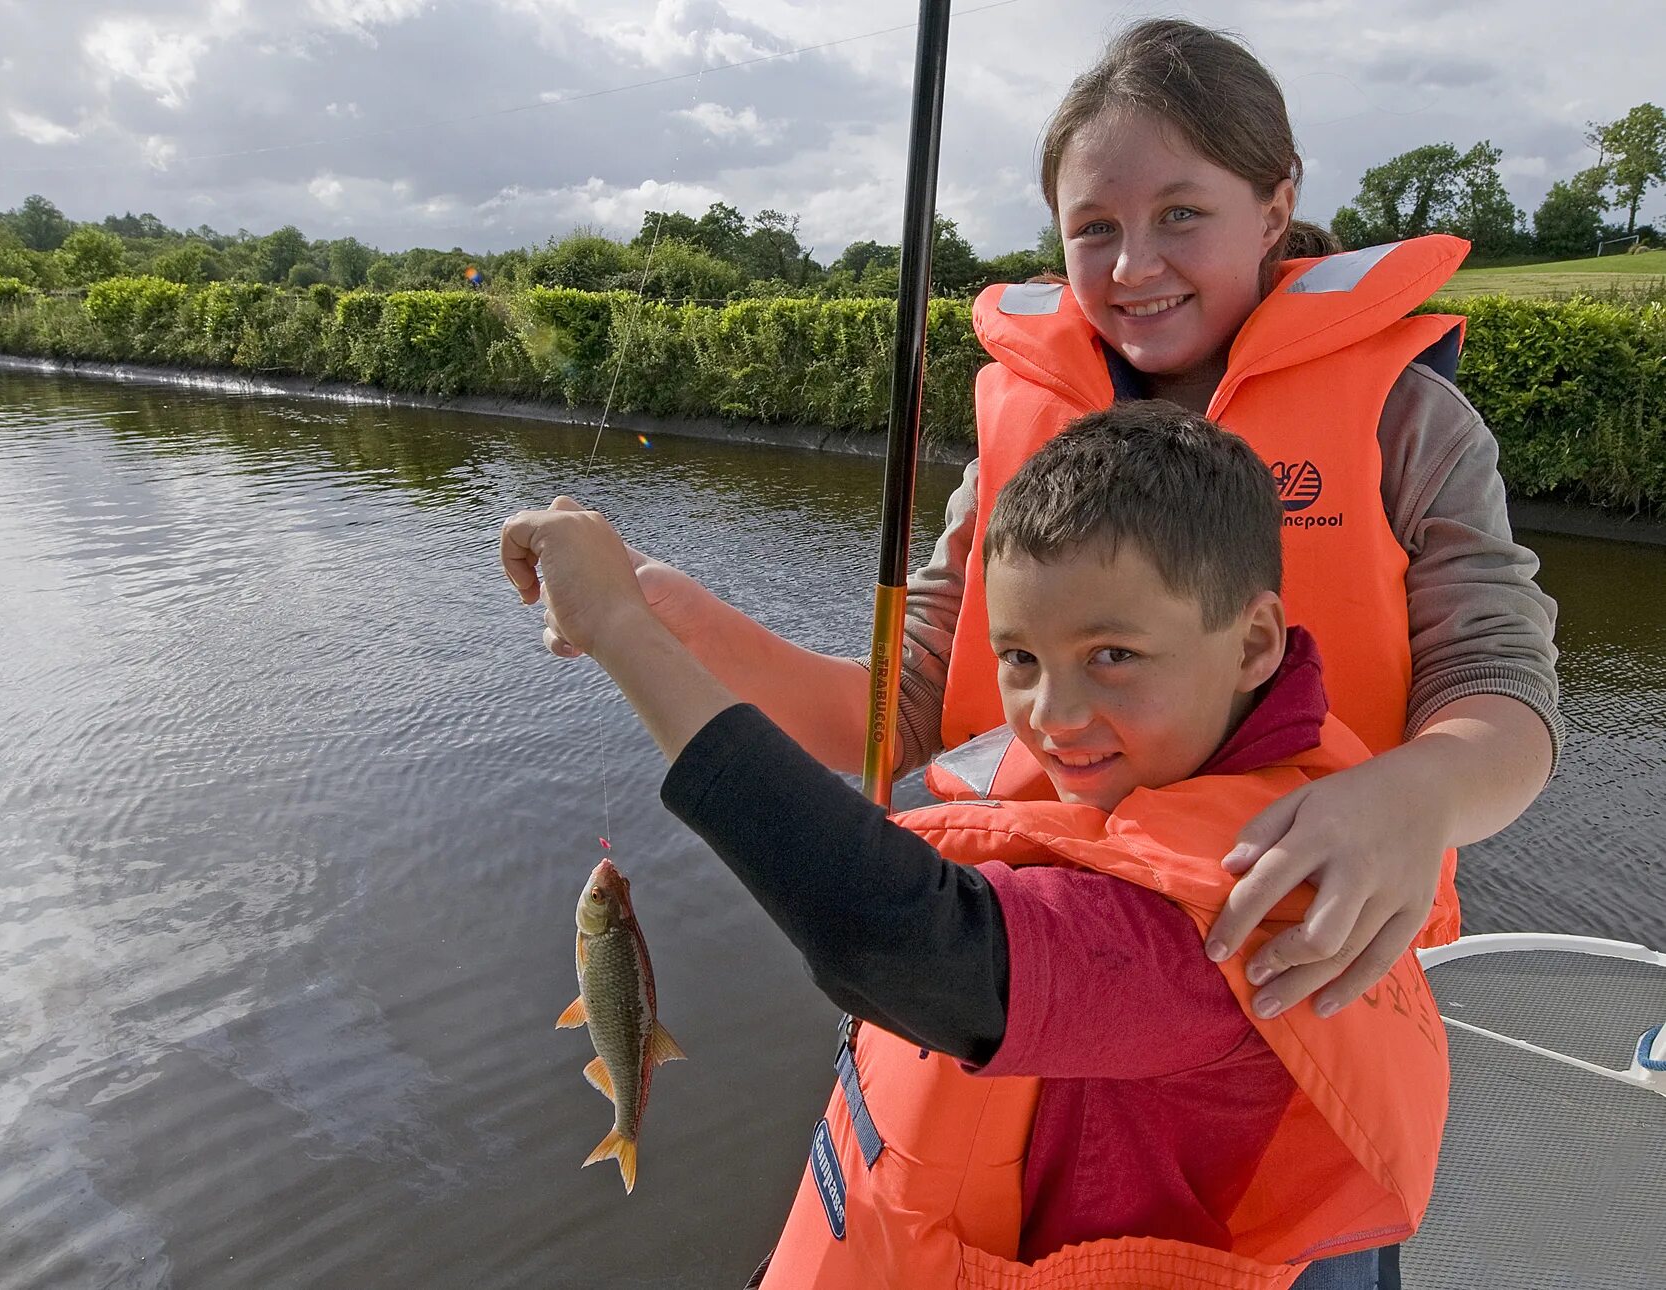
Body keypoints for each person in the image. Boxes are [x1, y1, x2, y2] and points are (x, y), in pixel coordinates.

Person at [543, 17, 1558, 1028]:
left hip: (1303, 981)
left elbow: (1503, 695)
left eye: (1179, 215)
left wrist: (1412, 797)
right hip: (1027, 965)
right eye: (1093, 230)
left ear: (1272, 207)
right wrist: (668, 613)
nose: (1132, 268)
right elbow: (899, 722)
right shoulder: (1019, 441)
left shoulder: (1406, 422)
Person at [500, 405, 1449, 1290]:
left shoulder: (1242, 910)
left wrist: (621, 630)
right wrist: (665, 613)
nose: (1056, 715)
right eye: (1020, 659)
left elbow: (900, 939)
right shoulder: (1148, 785)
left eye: (1113, 654)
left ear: (1252, 646)